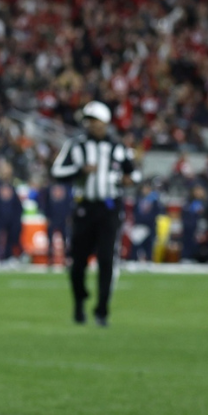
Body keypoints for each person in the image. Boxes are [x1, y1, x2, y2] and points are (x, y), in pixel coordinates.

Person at [50, 101, 140, 326]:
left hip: (109, 209)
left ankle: (102, 310)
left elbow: (134, 174)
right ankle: (80, 302)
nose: (90, 125)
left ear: (105, 122)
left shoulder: (118, 147)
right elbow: (56, 171)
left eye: (95, 121)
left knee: (106, 260)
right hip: (84, 208)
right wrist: (80, 170)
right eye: (88, 121)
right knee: (78, 262)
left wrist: (130, 180)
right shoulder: (75, 145)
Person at [39, 181, 73, 268]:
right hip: (53, 218)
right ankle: (50, 258)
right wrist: (47, 216)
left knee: (65, 239)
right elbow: (45, 203)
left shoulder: (66, 188)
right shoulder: (49, 189)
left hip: (63, 219)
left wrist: (69, 216)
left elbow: (69, 204)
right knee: (50, 240)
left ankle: (67, 258)